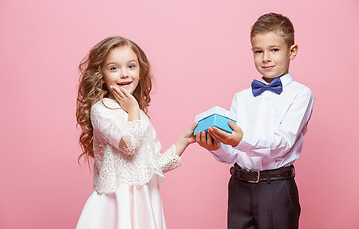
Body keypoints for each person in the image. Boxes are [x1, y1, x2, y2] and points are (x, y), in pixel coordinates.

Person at [196, 13, 314, 229]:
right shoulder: (241, 97)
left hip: (276, 188)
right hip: (239, 187)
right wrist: (216, 147)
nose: (266, 58)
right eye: (258, 51)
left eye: (274, 50)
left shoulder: (301, 94)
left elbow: (283, 144)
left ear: (292, 51)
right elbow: (234, 153)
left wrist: (241, 139)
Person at [76, 36, 196, 229]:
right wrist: (133, 110)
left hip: (144, 202)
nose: (124, 74)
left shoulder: (139, 115)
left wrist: (184, 140)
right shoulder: (102, 110)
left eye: (131, 66)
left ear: (140, 71)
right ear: (101, 75)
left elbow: (150, 167)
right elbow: (129, 146)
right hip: (117, 204)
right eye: (114, 68)